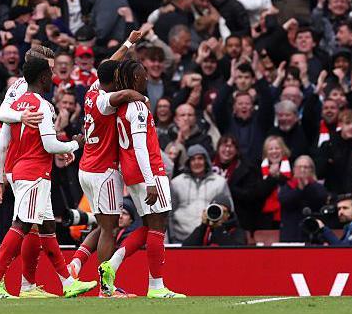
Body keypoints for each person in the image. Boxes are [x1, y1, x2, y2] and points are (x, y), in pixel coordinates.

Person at [0, 58, 95, 299]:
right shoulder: (41, 105)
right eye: (50, 72)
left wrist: (0, 176)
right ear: (43, 77)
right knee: (21, 224)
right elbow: (49, 144)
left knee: (47, 226)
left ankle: (67, 282)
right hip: (33, 173)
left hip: (27, 169)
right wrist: (75, 144)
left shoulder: (18, 103)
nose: (52, 76)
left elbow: (23, 140)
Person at [97, 59, 185, 298]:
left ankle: (111, 265)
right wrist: (150, 180)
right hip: (148, 171)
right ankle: (156, 287)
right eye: (143, 74)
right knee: (158, 226)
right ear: (135, 78)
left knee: (148, 226)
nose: (147, 78)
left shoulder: (122, 107)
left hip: (131, 171)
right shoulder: (137, 108)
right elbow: (140, 146)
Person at [71, 42, 147, 296]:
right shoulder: (105, 101)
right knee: (109, 228)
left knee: (104, 225)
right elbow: (125, 95)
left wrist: (128, 43)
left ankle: (77, 262)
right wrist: (144, 98)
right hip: (103, 171)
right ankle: (106, 287)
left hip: (86, 168)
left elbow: (108, 66)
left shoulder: (92, 90)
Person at [168, 144, 235, 243]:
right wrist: (172, 237)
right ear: (188, 162)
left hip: (210, 239)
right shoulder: (176, 182)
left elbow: (229, 211)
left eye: (200, 158)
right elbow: (169, 213)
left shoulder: (220, 182)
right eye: (193, 159)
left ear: (206, 161)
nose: (196, 162)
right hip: (180, 240)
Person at [182, 203, 247, 246]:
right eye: (216, 211)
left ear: (228, 215)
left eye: (223, 211)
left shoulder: (237, 231)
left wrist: (219, 228)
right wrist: (203, 226)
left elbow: (236, 251)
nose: (220, 215)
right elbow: (185, 248)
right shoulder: (204, 230)